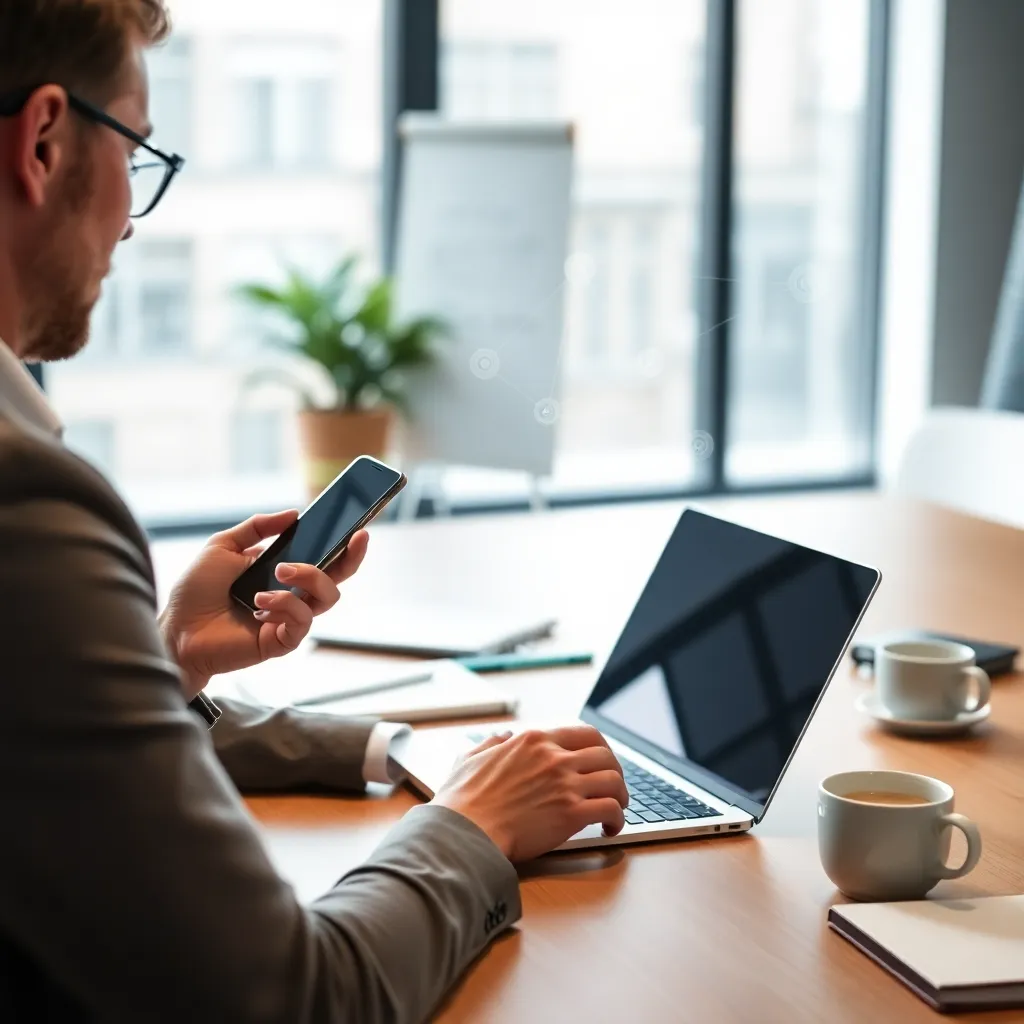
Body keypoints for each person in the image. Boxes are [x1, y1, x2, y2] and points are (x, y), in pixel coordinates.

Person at [0, 2, 630, 1021]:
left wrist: (170, 663)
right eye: (136, 151)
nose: (126, 216)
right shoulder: (27, 500)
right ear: (41, 142)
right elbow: (297, 1000)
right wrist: (471, 823)